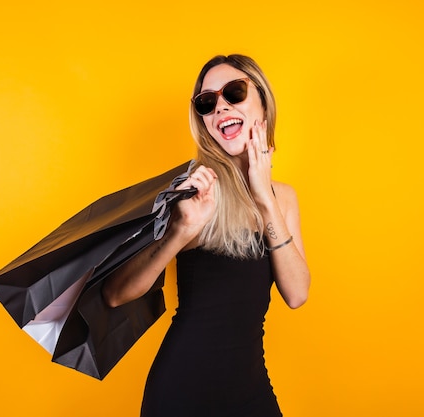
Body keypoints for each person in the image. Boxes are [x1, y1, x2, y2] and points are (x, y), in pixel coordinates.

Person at [102, 54, 310, 417]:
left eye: (234, 93)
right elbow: (116, 294)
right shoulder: (195, 191)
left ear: (262, 100)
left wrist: (264, 198)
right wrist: (181, 231)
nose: (221, 107)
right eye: (207, 102)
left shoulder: (283, 198)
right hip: (183, 392)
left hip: (250, 390)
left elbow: (297, 293)